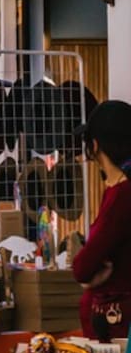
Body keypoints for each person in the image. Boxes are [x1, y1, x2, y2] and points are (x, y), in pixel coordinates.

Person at [73, 100, 131, 340]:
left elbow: (82, 267)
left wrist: (89, 277)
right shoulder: (118, 190)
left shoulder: (122, 195)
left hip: (118, 326)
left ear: (95, 146)